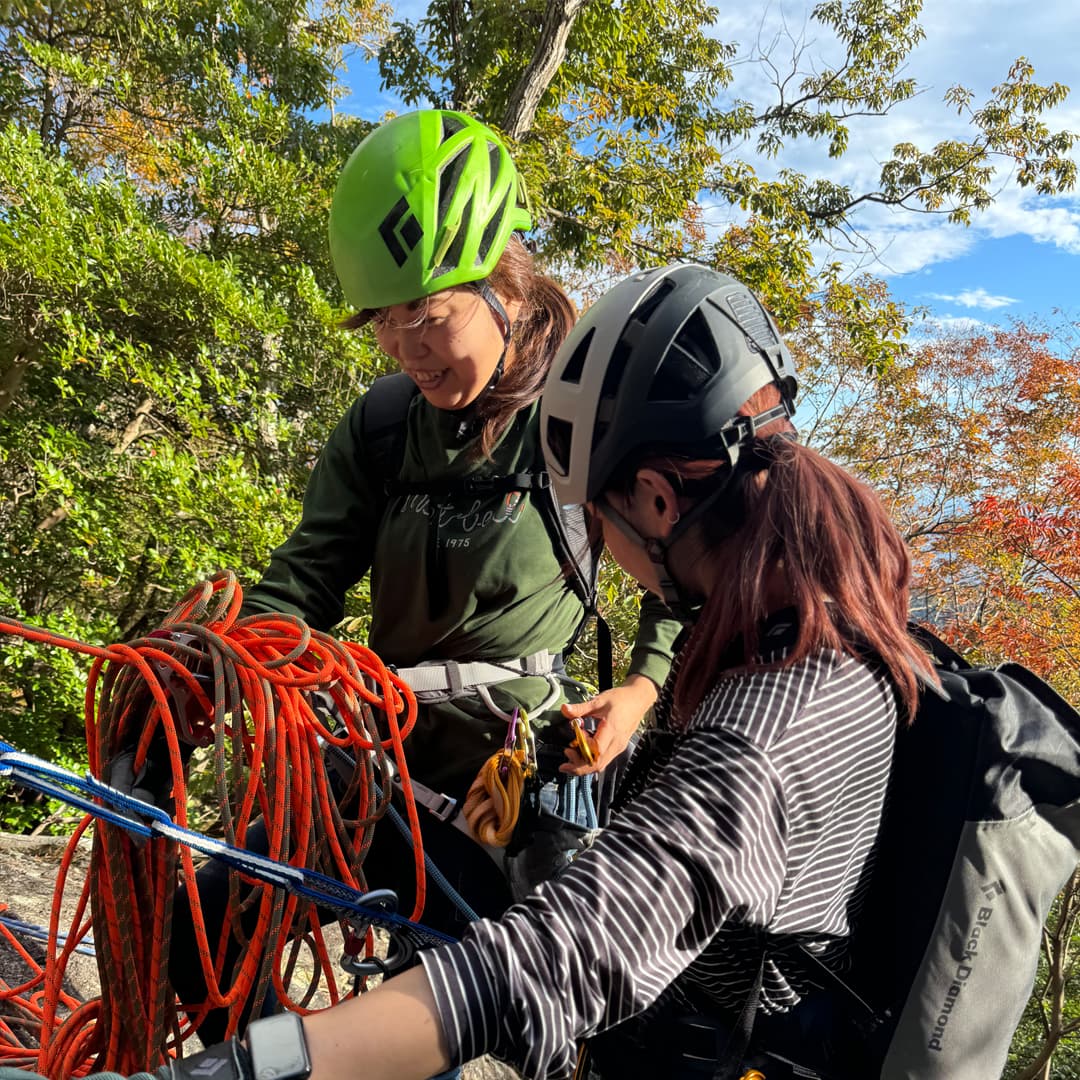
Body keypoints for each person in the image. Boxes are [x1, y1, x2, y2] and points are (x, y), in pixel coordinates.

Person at [30, 262, 940, 1080]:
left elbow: (561, 953)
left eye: (606, 523)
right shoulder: (826, 628)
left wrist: (245, 1070)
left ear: (659, 499)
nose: (612, 555)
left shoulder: (761, 735)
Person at [165, 110, 682, 1046]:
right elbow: (304, 580)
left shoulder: (581, 411)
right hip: (379, 765)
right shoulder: (383, 425)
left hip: (519, 783)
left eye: (427, 316)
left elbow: (683, 570)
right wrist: (207, 660)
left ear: (501, 282)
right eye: (384, 324)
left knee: (530, 1015)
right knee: (199, 940)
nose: (406, 348)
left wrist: (644, 687)